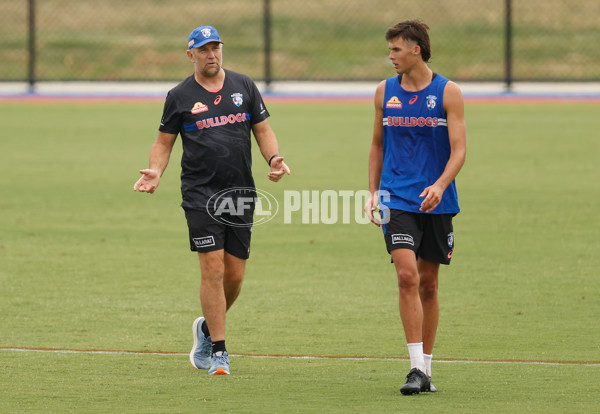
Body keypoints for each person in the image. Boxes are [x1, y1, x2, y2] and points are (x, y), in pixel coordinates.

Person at [133, 25, 290, 375]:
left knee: (234, 277)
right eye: (203, 49)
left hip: (240, 195)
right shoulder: (179, 95)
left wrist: (274, 158)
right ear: (191, 55)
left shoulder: (244, 86)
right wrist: (157, 171)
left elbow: (262, 129)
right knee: (213, 268)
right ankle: (219, 350)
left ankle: (206, 327)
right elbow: (163, 142)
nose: (211, 54)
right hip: (200, 195)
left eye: (215, 47)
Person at [365, 20, 466, 395]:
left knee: (429, 285)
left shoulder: (447, 92)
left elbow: (459, 150)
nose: (390, 56)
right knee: (407, 275)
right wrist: (373, 192)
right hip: (396, 198)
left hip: (437, 201)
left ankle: (426, 368)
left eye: (396, 49)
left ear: (416, 50)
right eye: (390, 49)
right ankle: (414, 369)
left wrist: (440, 185)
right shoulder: (384, 92)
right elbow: (377, 145)